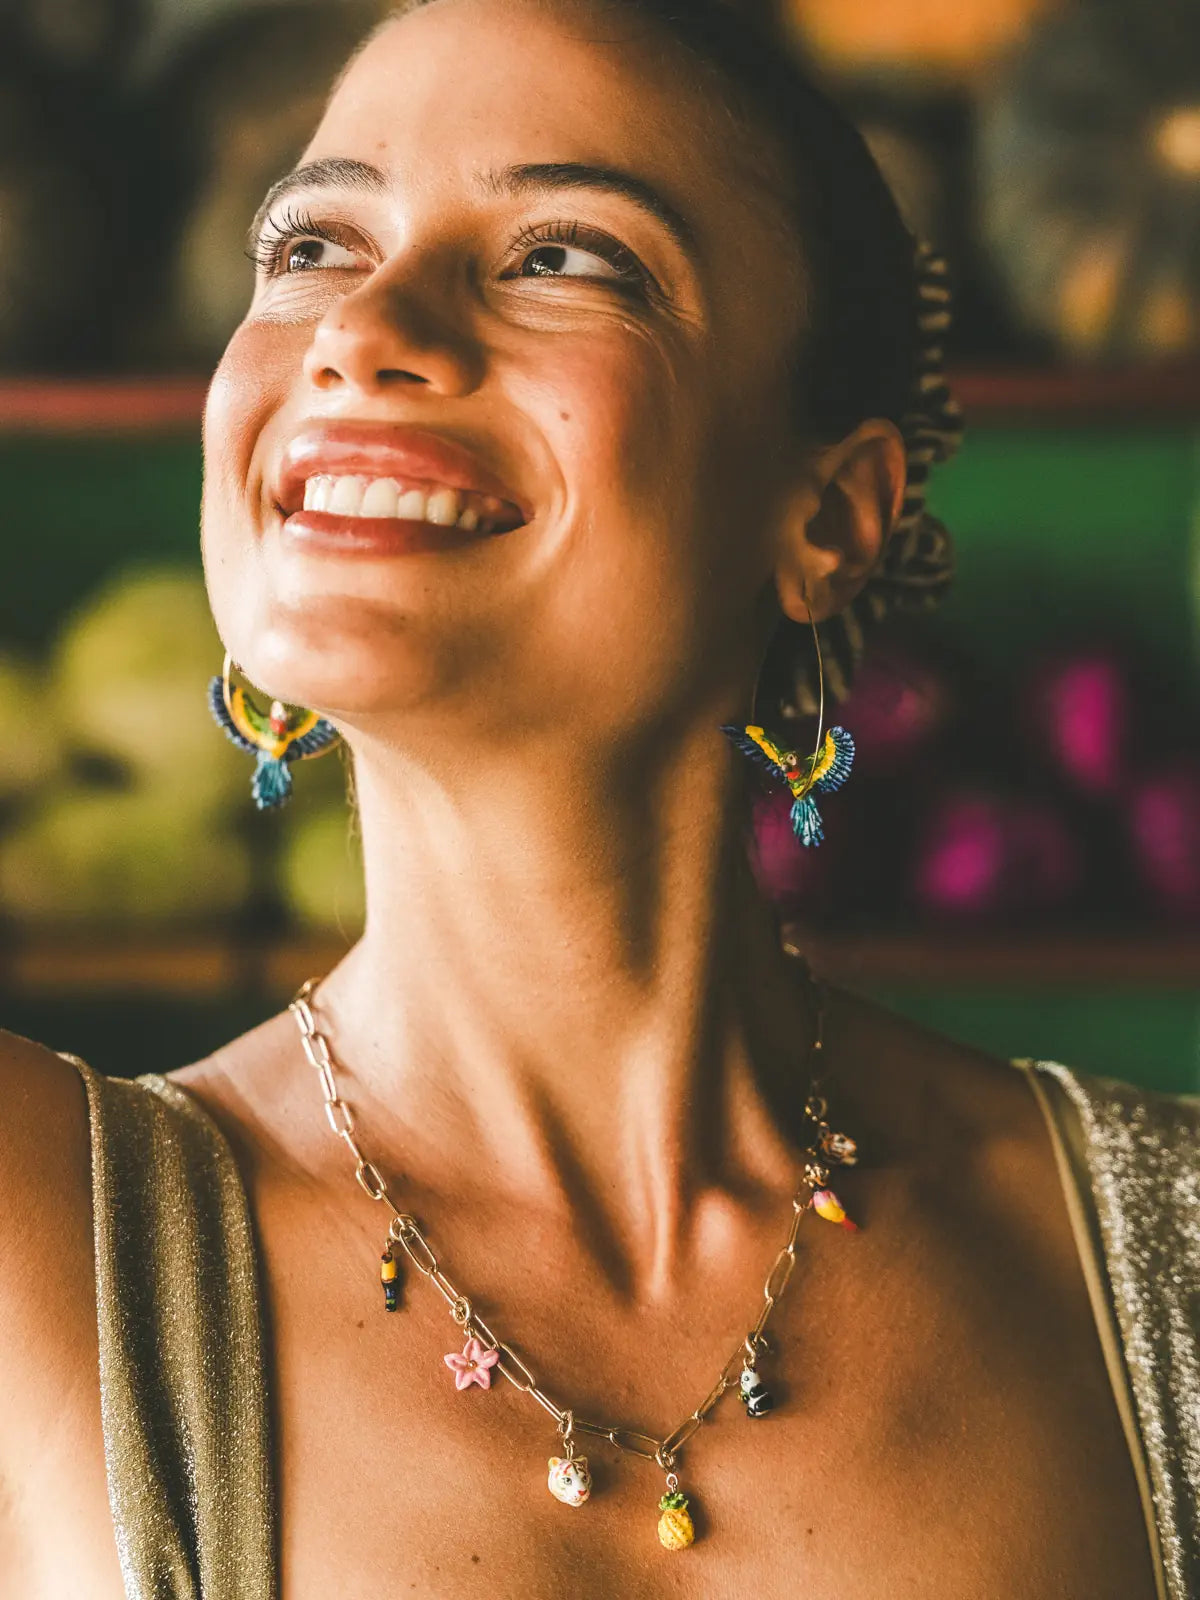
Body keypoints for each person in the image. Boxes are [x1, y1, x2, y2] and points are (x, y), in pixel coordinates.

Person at [2, 0, 1196, 1594]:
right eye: (309, 244)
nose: (362, 327)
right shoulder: (36, 1243)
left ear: (826, 513)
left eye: (565, 255)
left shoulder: (1158, 1273)